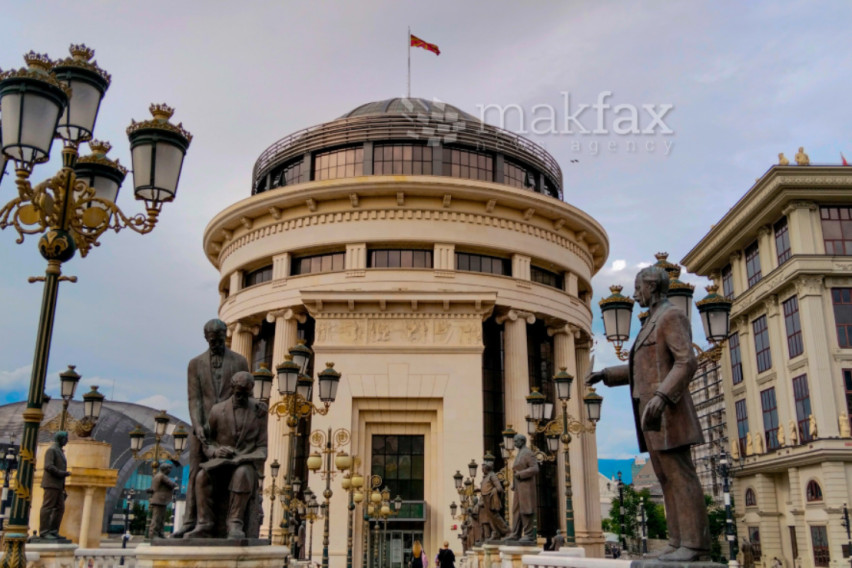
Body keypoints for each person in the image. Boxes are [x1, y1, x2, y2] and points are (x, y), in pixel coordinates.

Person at [587, 266, 710, 562]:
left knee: (680, 476)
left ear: (652, 286)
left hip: (668, 410)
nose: (634, 294)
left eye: (637, 287)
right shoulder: (651, 321)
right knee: (666, 478)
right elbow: (641, 368)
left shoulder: (671, 316)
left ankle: (695, 545)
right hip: (650, 414)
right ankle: (677, 542)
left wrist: (662, 396)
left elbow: (686, 362)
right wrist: (606, 373)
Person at [174, 319, 249, 538]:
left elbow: (245, 395)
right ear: (206, 338)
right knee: (195, 472)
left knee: (229, 472)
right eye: (212, 340)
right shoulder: (195, 363)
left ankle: (229, 523)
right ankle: (190, 521)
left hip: (228, 427)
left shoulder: (239, 361)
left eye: (219, 339)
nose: (216, 344)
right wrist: (197, 425)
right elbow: (194, 399)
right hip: (203, 428)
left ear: (225, 336)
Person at [187, 371, 267, 538]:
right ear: (232, 388)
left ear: (251, 391)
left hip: (245, 465)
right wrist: (215, 451)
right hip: (220, 463)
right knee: (202, 476)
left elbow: (263, 449)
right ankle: (205, 524)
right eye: (238, 393)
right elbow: (207, 441)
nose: (241, 398)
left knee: (242, 473)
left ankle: (235, 523)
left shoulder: (259, 412)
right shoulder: (217, 410)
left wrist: (244, 457)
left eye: (245, 394)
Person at [501, 434, 539, 544]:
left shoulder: (528, 453)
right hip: (519, 486)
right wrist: (514, 483)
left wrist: (521, 474)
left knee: (526, 509)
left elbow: (535, 468)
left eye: (516, 441)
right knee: (516, 510)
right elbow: (516, 470)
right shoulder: (520, 453)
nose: (514, 443)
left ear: (522, 441)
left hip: (526, 486)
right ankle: (515, 533)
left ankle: (528, 534)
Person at [39, 431, 71, 539]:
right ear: (61, 439)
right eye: (66, 438)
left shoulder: (60, 451)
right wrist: (61, 473)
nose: (67, 441)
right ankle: (44, 532)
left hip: (59, 485)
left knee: (60, 508)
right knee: (48, 507)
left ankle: (53, 531)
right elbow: (48, 466)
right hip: (51, 484)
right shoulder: (52, 450)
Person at [479, 460, 509, 541]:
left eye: (483, 467)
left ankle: (506, 530)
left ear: (487, 468)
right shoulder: (486, 477)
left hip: (490, 498)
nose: (482, 469)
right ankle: (496, 532)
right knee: (490, 517)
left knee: (495, 516)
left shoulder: (492, 475)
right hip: (485, 498)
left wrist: (494, 490)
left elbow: (499, 488)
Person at [149, 462, 177, 538]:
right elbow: (172, 484)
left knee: (161, 518)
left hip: (160, 500)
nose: (170, 471)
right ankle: (154, 534)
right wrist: (175, 484)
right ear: (165, 469)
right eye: (169, 469)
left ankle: (159, 533)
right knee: (157, 518)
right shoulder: (162, 476)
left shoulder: (158, 475)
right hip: (160, 499)